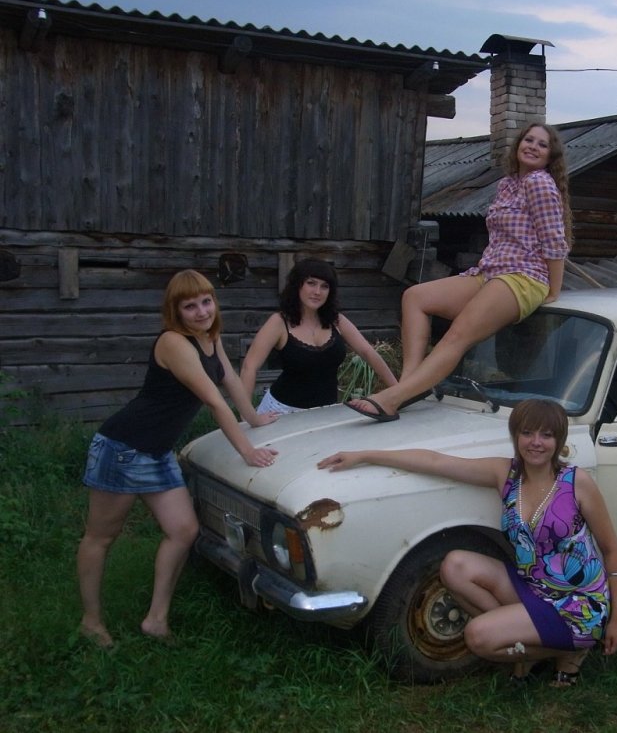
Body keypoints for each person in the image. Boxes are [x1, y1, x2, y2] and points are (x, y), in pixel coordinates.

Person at [318, 399, 617, 686]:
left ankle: (571, 648)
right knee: (455, 565)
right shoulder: (506, 473)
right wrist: (365, 455)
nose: (536, 442)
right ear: (516, 436)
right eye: (527, 433)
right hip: (533, 587)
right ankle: (529, 642)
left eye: (546, 435)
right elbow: (436, 462)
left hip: (577, 603)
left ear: (558, 440)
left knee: (477, 636)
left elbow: (611, 550)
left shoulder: (575, 483)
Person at [77, 270, 280, 648]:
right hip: (123, 449)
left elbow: (229, 380)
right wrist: (247, 450)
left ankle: (156, 620)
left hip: (157, 452)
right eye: (190, 306)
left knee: (184, 530)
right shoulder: (173, 342)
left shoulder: (210, 336)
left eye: (206, 301)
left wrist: (253, 418)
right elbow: (213, 400)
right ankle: (91, 621)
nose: (202, 312)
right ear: (175, 311)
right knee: (101, 537)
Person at [346, 123, 572, 422]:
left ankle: (392, 399)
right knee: (415, 296)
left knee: (457, 335)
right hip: (490, 271)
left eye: (542, 144)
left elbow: (554, 240)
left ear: (550, 156)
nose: (533, 146)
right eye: (528, 139)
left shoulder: (540, 183)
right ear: (518, 144)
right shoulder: (508, 184)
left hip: (523, 276)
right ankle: (407, 386)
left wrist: (553, 289)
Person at [240, 258, 397, 414]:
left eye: (324, 286)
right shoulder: (279, 322)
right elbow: (249, 366)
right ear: (298, 285)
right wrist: (246, 416)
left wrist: (397, 392)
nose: (317, 292)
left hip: (325, 412)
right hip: (281, 411)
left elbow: (367, 352)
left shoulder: (337, 321)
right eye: (311, 283)